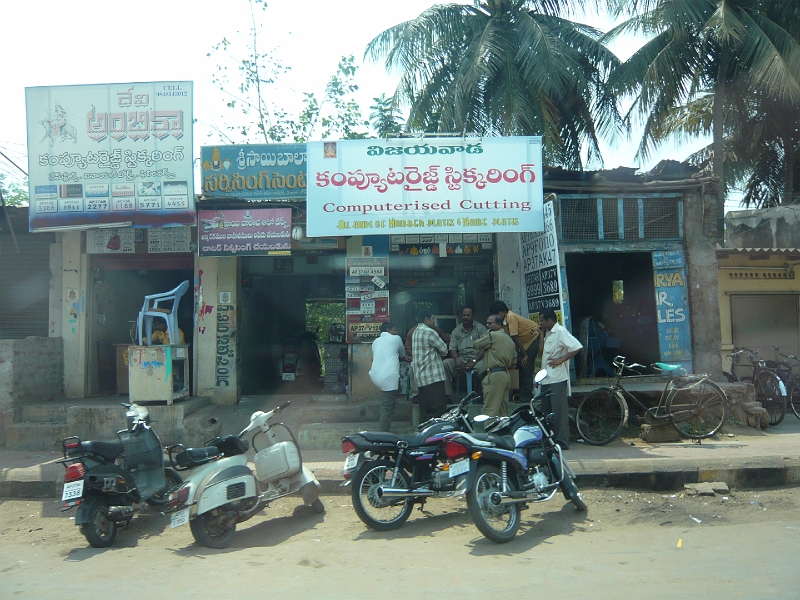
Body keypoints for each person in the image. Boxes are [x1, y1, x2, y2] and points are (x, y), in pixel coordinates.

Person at [539, 308, 583, 450]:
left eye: (542, 320)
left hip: (557, 378)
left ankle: (562, 442)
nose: (540, 323)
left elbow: (576, 347)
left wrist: (561, 360)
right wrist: (540, 335)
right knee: (547, 412)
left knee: (559, 412)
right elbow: (541, 353)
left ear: (549, 321)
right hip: (546, 378)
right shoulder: (547, 333)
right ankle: (550, 440)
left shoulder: (560, 332)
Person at [489, 300, 540, 402]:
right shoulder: (502, 322)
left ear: (503, 312)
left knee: (527, 366)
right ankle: (519, 393)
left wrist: (524, 355)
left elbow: (515, 337)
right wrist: (519, 354)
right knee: (520, 366)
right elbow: (513, 340)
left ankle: (526, 395)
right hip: (523, 342)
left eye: (497, 313)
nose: (496, 316)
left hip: (533, 337)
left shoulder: (510, 317)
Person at [473, 314, 517, 417]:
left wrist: (487, 334)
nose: (487, 325)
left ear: (498, 324)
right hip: (506, 375)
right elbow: (514, 361)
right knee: (503, 412)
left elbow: (476, 344)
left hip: (494, 376)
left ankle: (490, 432)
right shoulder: (509, 339)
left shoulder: (492, 335)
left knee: (490, 411)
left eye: (490, 323)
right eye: (486, 323)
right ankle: (502, 432)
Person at [411, 307, 449, 422]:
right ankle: (433, 435)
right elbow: (444, 350)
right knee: (438, 409)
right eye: (432, 319)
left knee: (425, 409)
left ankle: (423, 434)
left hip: (421, 378)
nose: (434, 322)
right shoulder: (430, 332)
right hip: (433, 377)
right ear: (426, 319)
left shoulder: (415, 332)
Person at [369, 322, 408, 432]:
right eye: (395, 330)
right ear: (389, 330)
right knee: (387, 408)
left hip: (375, 375)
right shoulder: (396, 339)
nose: (396, 332)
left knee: (387, 402)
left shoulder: (375, 342)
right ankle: (383, 434)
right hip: (388, 377)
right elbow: (402, 355)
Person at [444, 306, 487, 396]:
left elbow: (484, 348)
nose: (466, 317)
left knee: (487, 367)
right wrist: (456, 360)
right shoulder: (456, 330)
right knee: (445, 364)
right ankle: (448, 395)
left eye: (468, 315)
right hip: (461, 359)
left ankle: (482, 394)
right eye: (464, 315)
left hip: (477, 359)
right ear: (461, 316)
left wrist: (474, 361)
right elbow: (452, 348)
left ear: (473, 316)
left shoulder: (481, 329)